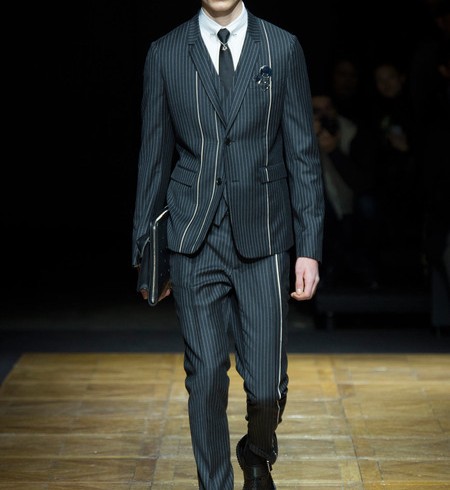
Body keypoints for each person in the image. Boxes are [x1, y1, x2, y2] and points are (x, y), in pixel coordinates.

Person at [132, 1, 325, 489]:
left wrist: (309, 247)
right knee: (205, 378)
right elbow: (153, 155)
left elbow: (302, 152)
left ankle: (256, 453)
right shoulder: (166, 53)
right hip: (193, 237)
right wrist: (148, 251)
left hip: (264, 236)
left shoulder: (281, 47)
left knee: (266, 387)